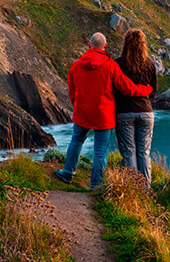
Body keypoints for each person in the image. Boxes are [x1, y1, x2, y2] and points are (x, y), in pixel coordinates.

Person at [55, 32, 153, 189]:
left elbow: (72, 92)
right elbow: (127, 88)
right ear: (105, 46)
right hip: (104, 115)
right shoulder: (110, 65)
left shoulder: (76, 66)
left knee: (76, 140)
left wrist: (77, 107)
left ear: (89, 45)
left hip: (82, 112)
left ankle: (67, 173)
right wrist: (145, 90)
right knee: (100, 150)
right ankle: (95, 185)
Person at [114, 28, 157, 185]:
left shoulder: (118, 63)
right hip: (146, 111)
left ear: (126, 43)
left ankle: (132, 189)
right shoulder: (150, 63)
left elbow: (112, 89)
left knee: (128, 152)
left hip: (124, 112)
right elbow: (153, 90)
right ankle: (146, 189)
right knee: (144, 153)